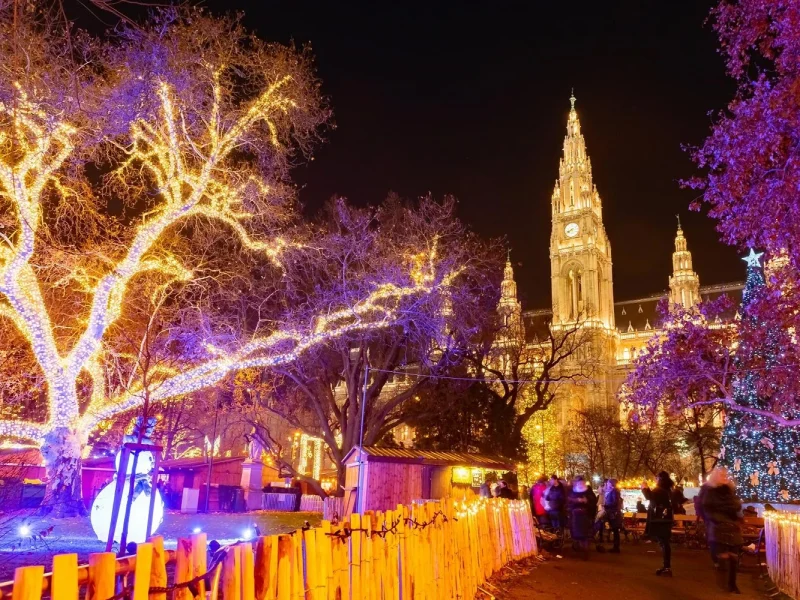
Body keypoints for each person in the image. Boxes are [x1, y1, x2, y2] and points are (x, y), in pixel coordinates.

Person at [702, 467, 744, 594]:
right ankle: (723, 583)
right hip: (719, 526)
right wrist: (717, 519)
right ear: (715, 476)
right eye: (721, 474)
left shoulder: (730, 490)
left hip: (732, 527)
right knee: (723, 556)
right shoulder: (710, 491)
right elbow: (707, 508)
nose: (725, 476)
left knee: (734, 557)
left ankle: (732, 584)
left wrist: (736, 511)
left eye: (726, 474)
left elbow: (736, 506)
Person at [642, 471, 675, 577]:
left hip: (660, 520)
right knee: (663, 542)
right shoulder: (666, 489)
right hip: (665, 519)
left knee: (664, 542)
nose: (655, 479)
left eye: (656, 478)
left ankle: (667, 567)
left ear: (660, 479)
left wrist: (645, 488)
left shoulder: (660, 490)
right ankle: (666, 566)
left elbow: (650, 497)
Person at [568, 476, 594, 559]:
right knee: (577, 533)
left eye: (582, 482)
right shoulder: (573, 490)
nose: (580, 484)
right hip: (575, 515)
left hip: (585, 514)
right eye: (579, 482)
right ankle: (579, 548)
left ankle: (586, 550)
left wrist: (586, 501)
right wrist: (575, 501)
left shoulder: (588, 490)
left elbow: (593, 501)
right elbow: (569, 501)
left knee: (585, 533)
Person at [597, 479, 623, 553]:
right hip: (612, 512)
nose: (607, 484)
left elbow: (615, 502)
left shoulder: (614, 492)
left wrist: (606, 505)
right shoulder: (613, 491)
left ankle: (616, 547)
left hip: (613, 513)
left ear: (611, 484)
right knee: (614, 530)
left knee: (615, 530)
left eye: (608, 483)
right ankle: (615, 547)